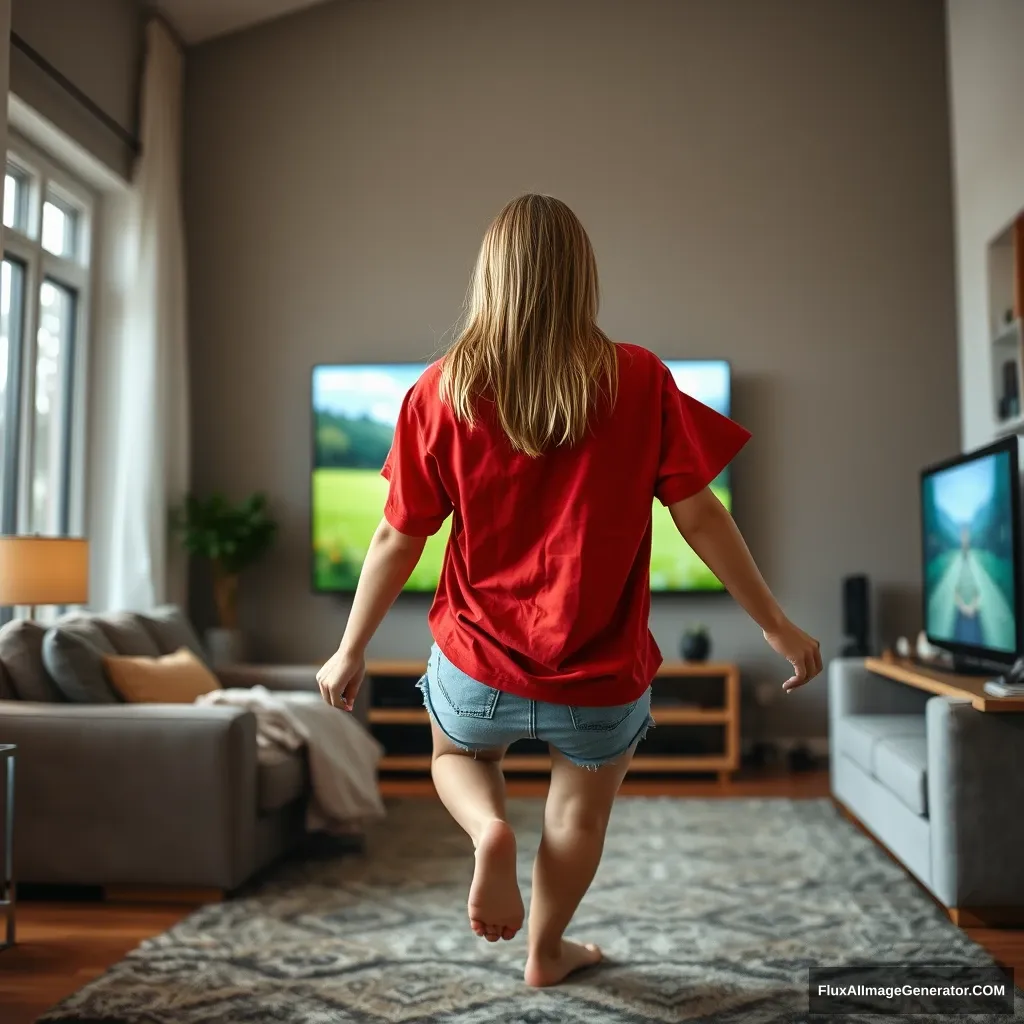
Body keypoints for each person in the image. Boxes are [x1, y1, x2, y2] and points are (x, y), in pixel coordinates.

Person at [316, 194, 822, 988]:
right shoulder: (641, 378)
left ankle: (488, 830)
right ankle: (546, 951)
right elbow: (703, 522)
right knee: (578, 812)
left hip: (477, 664)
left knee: (454, 753)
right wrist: (778, 625)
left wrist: (351, 650)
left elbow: (396, 537)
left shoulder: (441, 392)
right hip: (599, 672)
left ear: (490, 279)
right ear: (583, 277)